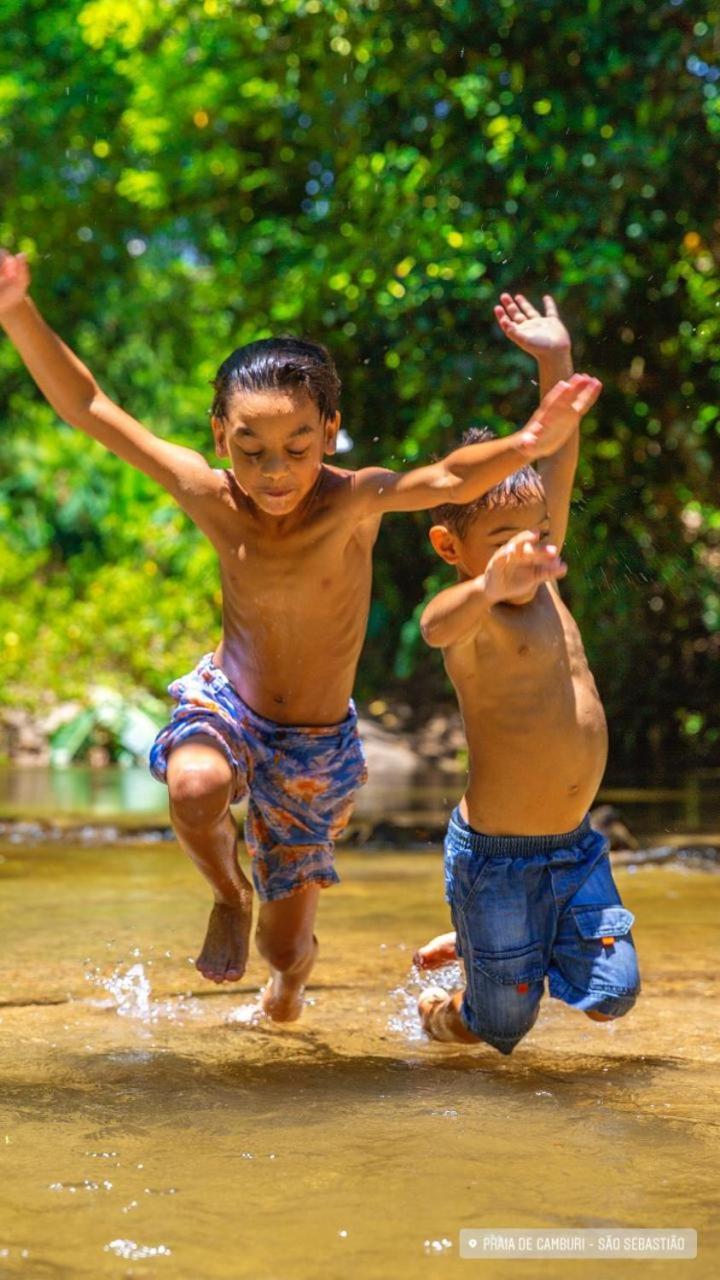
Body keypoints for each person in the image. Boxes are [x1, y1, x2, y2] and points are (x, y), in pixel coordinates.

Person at [0, 250, 599, 1023]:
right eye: (251, 450)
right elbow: (90, 407)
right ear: (220, 436)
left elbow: (450, 479)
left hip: (314, 744)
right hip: (230, 705)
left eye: (297, 449)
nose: (275, 472)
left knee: (284, 953)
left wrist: (525, 444)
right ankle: (227, 892)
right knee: (196, 788)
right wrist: (17, 311)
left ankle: (285, 985)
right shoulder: (210, 496)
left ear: (331, 433)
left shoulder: (353, 503)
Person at [415, 292, 640, 1052]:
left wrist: (555, 359)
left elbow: (557, 455)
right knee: (503, 1027)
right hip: (498, 863)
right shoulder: (472, 615)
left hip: (575, 846)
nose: (527, 548)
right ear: (453, 548)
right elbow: (431, 627)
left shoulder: (545, 576)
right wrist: (485, 588)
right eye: (503, 537)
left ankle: (487, 955)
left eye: (536, 532)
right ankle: (452, 1005)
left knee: (615, 993)